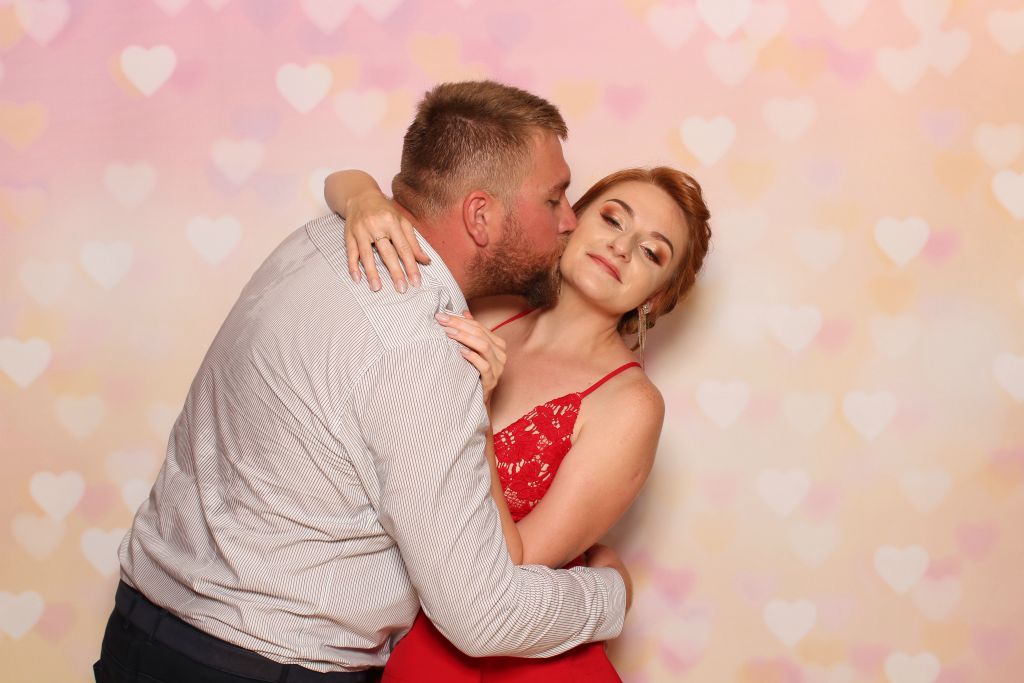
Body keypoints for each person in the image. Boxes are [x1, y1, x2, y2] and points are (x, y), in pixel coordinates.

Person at [94, 81, 632, 683]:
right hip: (262, 665)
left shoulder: (319, 238)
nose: (570, 220)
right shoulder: (422, 349)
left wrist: (357, 193)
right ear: (480, 215)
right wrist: (611, 594)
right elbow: (483, 617)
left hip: (138, 630)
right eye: (554, 198)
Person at [325, 163, 712, 681]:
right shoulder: (484, 310)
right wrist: (364, 201)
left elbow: (514, 568)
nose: (621, 247)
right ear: (570, 220)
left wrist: (478, 407)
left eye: (651, 252)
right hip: (398, 627)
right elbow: (343, 182)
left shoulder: (630, 404)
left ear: (656, 297)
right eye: (613, 219)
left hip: (512, 661)